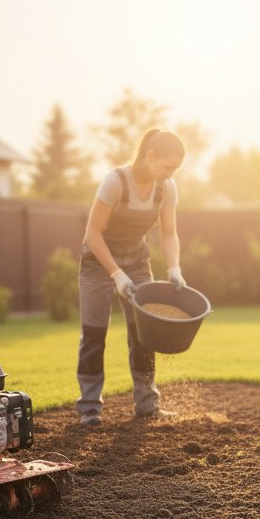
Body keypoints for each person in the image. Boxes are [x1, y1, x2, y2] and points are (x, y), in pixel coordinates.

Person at [76, 129, 186, 424]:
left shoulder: (166, 188)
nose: (170, 174)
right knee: (94, 333)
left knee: (143, 333)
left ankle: (147, 404)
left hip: (137, 260)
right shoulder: (116, 182)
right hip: (98, 261)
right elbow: (93, 234)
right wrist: (116, 274)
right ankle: (89, 409)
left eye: (175, 169)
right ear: (150, 156)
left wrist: (174, 267)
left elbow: (169, 233)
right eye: (167, 166)